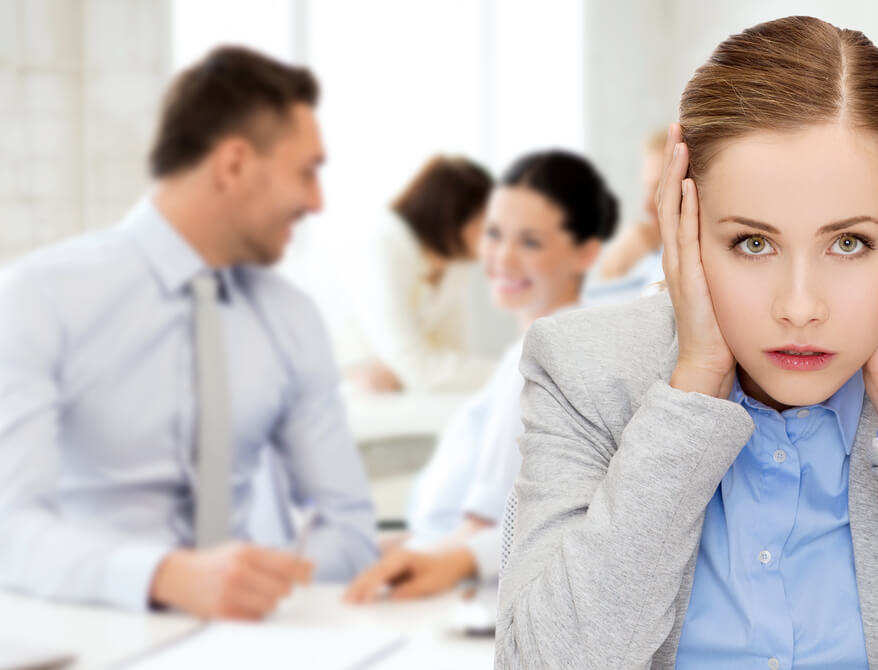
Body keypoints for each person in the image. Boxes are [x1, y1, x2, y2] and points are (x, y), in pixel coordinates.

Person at [495, 16, 878, 669]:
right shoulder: (584, 371)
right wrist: (694, 383)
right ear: (684, 227)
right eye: (752, 243)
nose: (799, 308)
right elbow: (545, 660)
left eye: (850, 243)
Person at [0, 46, 378, 620]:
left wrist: (255, 586)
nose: (317, 203)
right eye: (307, 171)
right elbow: (10, 527)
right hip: (91, 632)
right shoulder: (38, 296)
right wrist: (167, 578)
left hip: (253, 641)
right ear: (233, 165)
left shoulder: (292, 316)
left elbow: (348, 527)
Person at [343, 150, 618, 603]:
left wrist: (409, 563)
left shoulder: (540, 362)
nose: (502, 258)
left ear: (585, 252)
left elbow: (489, 524)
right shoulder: (529, 354)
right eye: (493, 234)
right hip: (443, 564)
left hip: (457, 590)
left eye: (530, 242)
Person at [335, 156, 498, 393]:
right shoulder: (383, 245)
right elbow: (416, 366)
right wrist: (510, 373)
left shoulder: (455, 265)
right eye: (490, 224)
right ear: (454, 215)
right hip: (349, 392)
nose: (497, 239)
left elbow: (454, 357)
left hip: (397, 398)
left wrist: (408, 374)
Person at [592, 127, 668, 286]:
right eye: (647, 188)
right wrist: (616, 265)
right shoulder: (654, 255)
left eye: (659, 188)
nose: (646, 207)